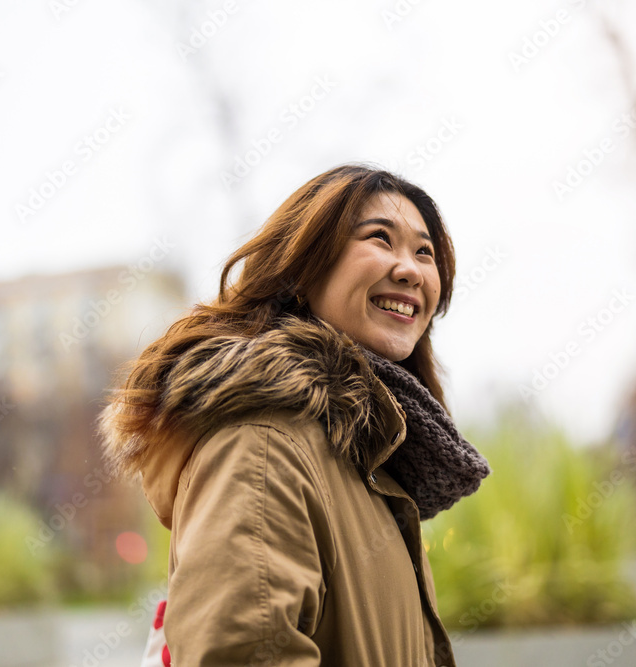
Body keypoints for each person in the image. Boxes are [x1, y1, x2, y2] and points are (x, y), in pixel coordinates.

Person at [99, 163, 491, 666]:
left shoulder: (364, 457)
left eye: (424, 252)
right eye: (379, 238)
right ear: (304, 267)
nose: (411, 269)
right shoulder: (262, 442)